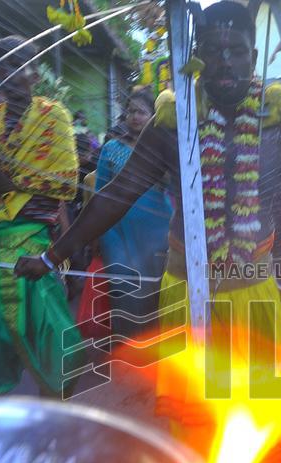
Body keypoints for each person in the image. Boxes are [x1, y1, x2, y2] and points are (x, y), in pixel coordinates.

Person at [15, 2, 281, 436]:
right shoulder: (174, 123)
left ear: (253, 55)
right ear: (199, 56)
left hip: (254, 292)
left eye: (237, 50)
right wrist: (52, 255)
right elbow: (117, 195)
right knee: (191, 425)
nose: (226, 61)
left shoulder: (280, 122)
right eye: (214, 50)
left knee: (254, 428)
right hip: (187, 292)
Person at [0, 35, 84, 398]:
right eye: (1, 67)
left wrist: (2, 181)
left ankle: (55, 416)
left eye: (17, 64)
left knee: (50, 336)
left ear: (35, 72)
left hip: (30, 242)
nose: (9, 74)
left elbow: (64, 185)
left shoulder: (53, 117)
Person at [95, 86, 171, 338]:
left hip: (159, 234)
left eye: (141, 112)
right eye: (130, 112)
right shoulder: (111, 149)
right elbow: (100, 194)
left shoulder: (163, 150)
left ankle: (160, 349)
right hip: (118, 233)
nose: (135, 117)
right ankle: (128, 349)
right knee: (125, 291)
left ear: (154, 116)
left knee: (160, 292)